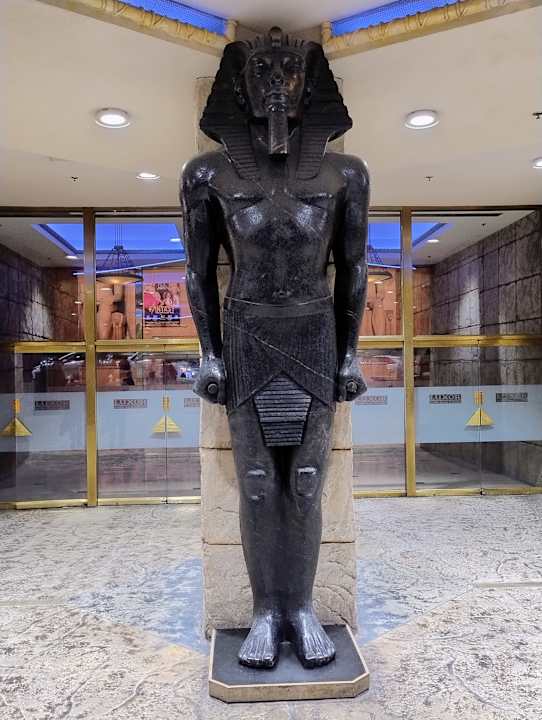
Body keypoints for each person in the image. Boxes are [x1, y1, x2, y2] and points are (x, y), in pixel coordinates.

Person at [181, 27, 369, 669]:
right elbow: (198, 272)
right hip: (247, 336)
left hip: (314, 336)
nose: (275, 82)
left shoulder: (346, 173)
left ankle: (303, 608)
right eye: (262, 69)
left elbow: (354, 267)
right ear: (239, 86)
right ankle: (266, 612)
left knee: (308, 483)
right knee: (259, 485)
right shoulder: (207, 173)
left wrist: (349, 354)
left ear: (308, 84)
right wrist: (209, 352)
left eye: (288, 69)